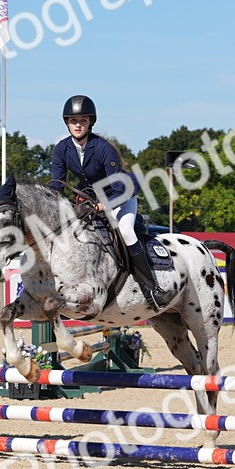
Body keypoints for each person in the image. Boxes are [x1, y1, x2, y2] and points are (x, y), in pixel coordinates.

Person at [50, 94, 171, 309]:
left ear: (91, 123)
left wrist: (103, 206)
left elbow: (119, 189)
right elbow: (57, 185)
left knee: (125, 231)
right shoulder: (62, 148)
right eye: (73, 121)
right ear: (67, 123)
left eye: (83, 121)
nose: (78, 125)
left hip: (121, 196)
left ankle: (152, 288)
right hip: (91, 200)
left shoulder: (104, 148)